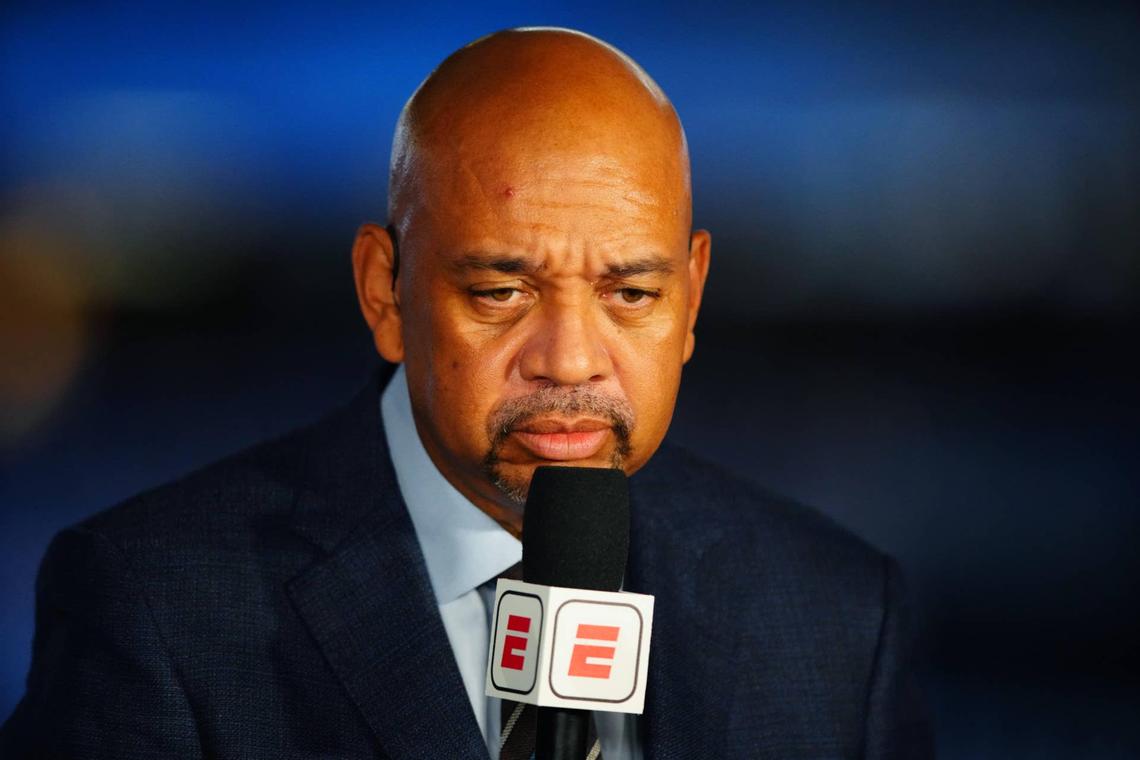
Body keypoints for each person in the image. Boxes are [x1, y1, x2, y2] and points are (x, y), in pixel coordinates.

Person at [1, 27, 932, 758]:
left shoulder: (836, 613)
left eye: (631, 294)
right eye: (500, 292)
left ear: (691, 300)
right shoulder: (153, 603)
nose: (571, 361)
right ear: (384, 292)